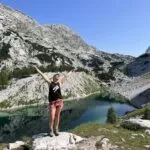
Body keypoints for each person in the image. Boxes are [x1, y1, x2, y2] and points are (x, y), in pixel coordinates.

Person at [32, 65, 73, 137]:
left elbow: (66, 76)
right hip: (52, 103)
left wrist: (71, 71)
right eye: (56, 75)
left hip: (60, 102)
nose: (58, 76)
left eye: (58, 76)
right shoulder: (50, 83)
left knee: (57, 117)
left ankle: (56, 129)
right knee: (52, 117)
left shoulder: (60, 82)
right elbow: (42, 75)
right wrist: (36, 68)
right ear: (53, 77)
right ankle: (50, 130)